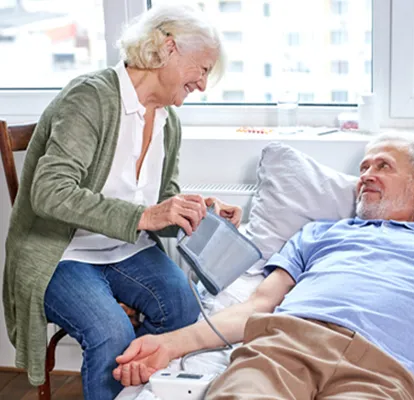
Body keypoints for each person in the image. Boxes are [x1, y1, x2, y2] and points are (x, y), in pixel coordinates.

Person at [113, 135, 414, 400]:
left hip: (385, 365)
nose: (367, 174)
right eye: (365, 167)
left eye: (383, 166)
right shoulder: (318, 234)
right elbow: (256, 305)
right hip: (285, 344)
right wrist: (171, 343)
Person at [2, 4, 241, 400]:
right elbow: (49, 191)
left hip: (125, 249)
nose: (202, 83)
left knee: (182, 310)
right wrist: (146, 215)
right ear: (167, 49)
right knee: (109, 331)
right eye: (202, 68)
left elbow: (161, 203)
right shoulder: (90, 97)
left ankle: (134, 391)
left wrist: (195, 212)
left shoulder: (168, 120)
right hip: (62, 252)